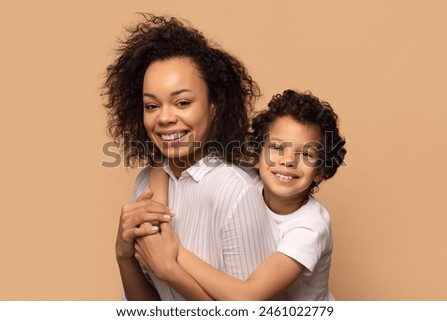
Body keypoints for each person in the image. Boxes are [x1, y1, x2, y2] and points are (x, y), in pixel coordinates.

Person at [102, 13, 277, 300]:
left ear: (214, 106)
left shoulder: (235, 192)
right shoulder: (148, 182)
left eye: (182, 102)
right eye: (151, 105)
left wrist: (169, 269)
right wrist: (124, 256)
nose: (165, 118)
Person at [138, 89, 347, 300]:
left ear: (319, 172)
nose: (288, 161)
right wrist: (159, 213)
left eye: (306, 154)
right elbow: (161, 160)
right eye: (276, 147)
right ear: (257, 155)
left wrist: (174, 252)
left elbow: (248, 297)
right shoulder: (248, 177)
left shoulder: (311, 227)